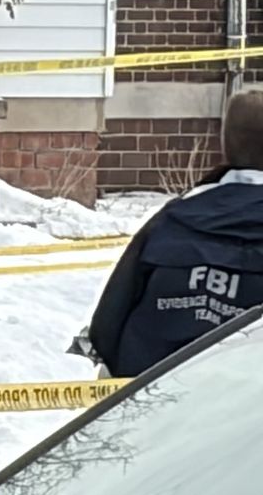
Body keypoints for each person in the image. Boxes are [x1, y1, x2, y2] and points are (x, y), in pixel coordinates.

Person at [89, 91, 263, 378]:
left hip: (160, 403)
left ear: (224, 144)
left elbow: (110, 322)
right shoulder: (171, 219)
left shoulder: (172, 220)